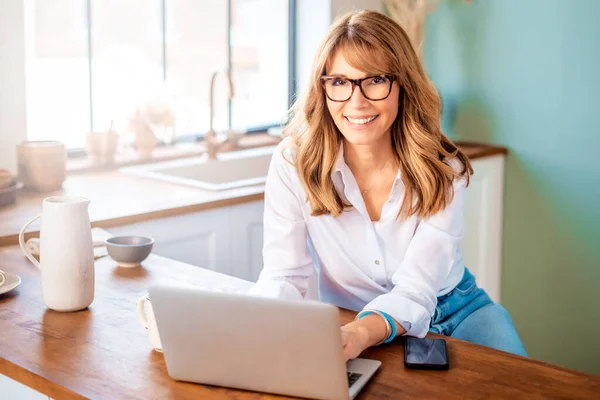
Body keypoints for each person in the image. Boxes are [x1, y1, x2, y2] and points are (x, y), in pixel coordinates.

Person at [248, 9, 527, 361]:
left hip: (455, 312)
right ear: (322, 88)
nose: (356, 101)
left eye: (375, 80)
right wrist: (252, 322)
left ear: (403, 85)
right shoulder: (293, 164)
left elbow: (416, 289)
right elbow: (284, 274)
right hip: (352, 321)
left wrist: (360, 333)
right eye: (339, 82)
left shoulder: (442, 168)